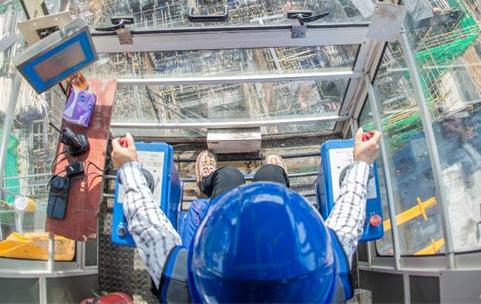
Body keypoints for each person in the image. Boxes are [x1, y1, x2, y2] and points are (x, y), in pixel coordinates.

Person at [112, 129, 381, 303]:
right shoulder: (329, 277)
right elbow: (348, 220)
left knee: (228, 177)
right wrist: (362, 164)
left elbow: (149, 226)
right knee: (271, 175)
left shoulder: (179, 282)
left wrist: (128, 168)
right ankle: (274, 177)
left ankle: (211, 181)